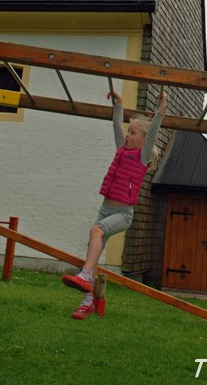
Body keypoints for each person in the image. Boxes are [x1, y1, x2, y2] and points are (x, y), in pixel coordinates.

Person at [61, 87, 167, 319]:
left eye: (133, 133)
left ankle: (85, 276)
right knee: (93, 250)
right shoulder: (121, 150)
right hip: (105, 208)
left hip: (123, 213)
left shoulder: (142, 156)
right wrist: (118, 104)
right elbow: (116, 126)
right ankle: (87, 303)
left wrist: (161, 109)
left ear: (143, 140)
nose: (127, 135)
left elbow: (153, 132)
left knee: (96, 231)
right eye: (128, 132)